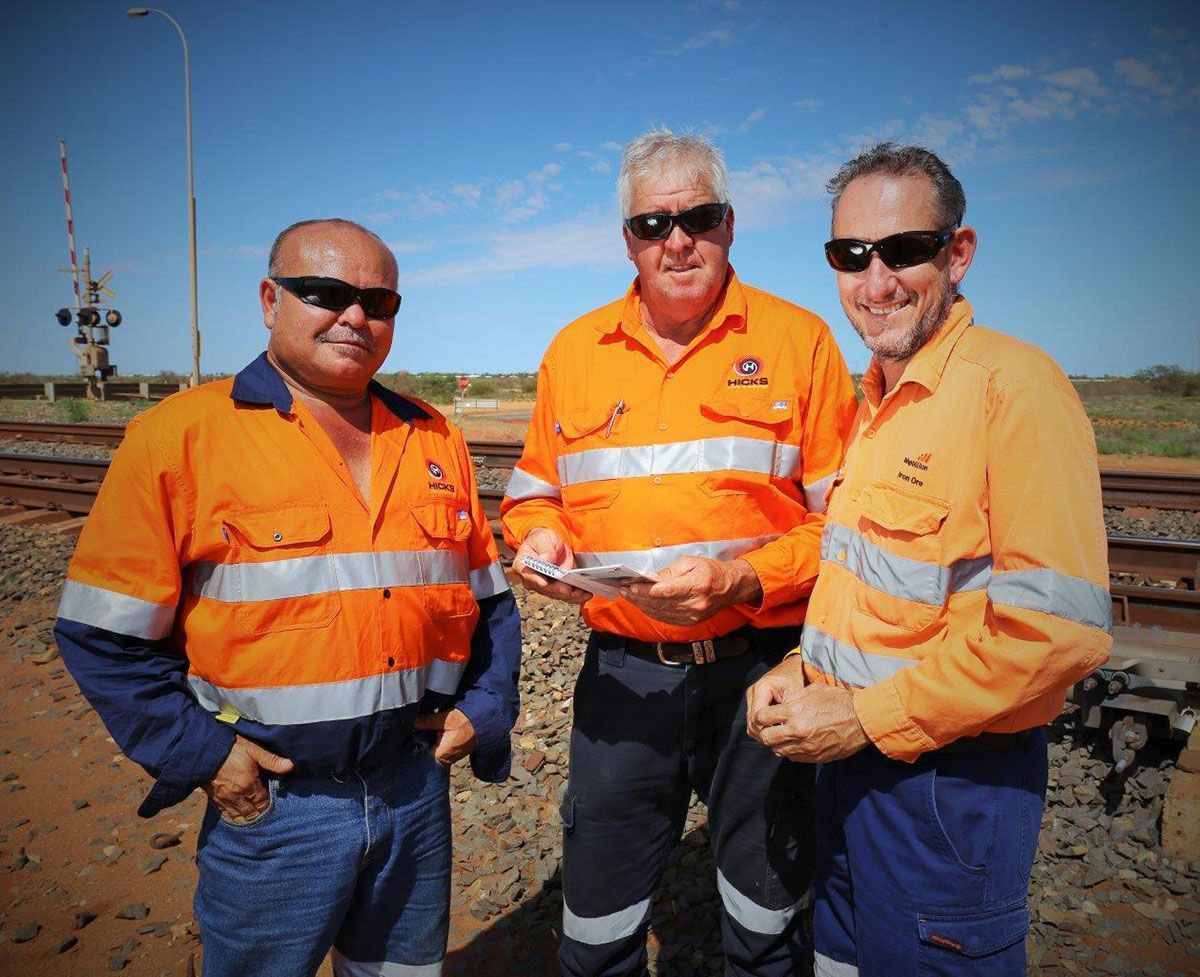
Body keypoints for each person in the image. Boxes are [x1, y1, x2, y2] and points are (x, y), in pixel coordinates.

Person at [54, 218, 522, 977]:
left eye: (379, 301)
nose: (355, 316)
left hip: (413, 788)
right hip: (277, 805)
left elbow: (491, 605)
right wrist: (205, 754)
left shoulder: (434, 437)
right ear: (271, 299)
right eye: (326, 293)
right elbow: (101, 631)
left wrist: (487, 706)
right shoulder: (179, 437)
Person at [746, 143, 1113, 977]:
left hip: (949, 787)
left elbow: (1058, 635)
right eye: (850, 256)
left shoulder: (1014, 392)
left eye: (904, 250)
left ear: (959, 251)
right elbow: (873, 589)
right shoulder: (872, 401)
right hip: (846, 772)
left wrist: (866, 717)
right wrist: (800, 664)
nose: (876, 283)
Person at [501, 128, 857, 977]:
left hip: (761, 674)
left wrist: (745, 576)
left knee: (768, 921)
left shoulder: (799, 342)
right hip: (623, 679)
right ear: (627, 238)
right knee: (595, 927)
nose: (678, 240)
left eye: (697, 216)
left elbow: (848, 527)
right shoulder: (573, 352)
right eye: (653, 224)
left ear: (730, 222)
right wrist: (540, 536)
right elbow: (531, 494)